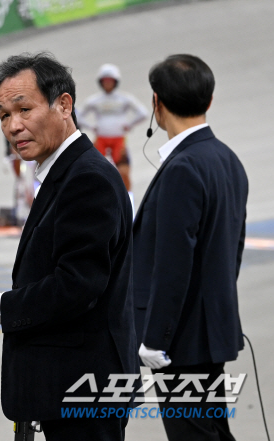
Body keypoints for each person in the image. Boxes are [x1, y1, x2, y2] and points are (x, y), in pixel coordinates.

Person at [0, 52, 139, 440]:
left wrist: (3, 307)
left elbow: (78, 285)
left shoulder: (86, 178)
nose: (14, 125)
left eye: (24, 108)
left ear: (64, 105)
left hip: (83, 389)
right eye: (4, 115)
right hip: (68, 386)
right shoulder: (66, 172)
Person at [133, 54, 248, 441]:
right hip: (210, 330)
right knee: (213, 430)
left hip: (181, 340)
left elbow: (172, 263)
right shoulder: (227, 160)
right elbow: (232, 252)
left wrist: (156, 339)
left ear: (157, 104)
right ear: (208, 101)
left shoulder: (183, 168)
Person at [76, 63, 148, 191]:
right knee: (94, 169)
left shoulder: (124, 99)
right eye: (105, 81)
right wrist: (91, 126)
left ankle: (127, 196)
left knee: (124, 171)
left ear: (115, 82)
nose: (107, 84)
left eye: (110, 81)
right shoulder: (94, 100)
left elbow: (143, 113)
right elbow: (78, 116)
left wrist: (130, 125)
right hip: (101, 141)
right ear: (101, 82)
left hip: (119, 141)